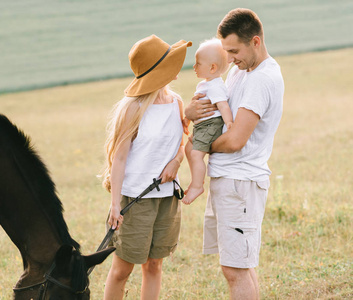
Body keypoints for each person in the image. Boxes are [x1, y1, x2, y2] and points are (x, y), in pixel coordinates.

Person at [185, 8, 284, 299]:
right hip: (230, 180)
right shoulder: (242, 72)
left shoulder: (260, 79)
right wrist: (191, 113)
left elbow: (235, 140)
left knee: (235, 269)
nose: (229, 59)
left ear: (255, 41)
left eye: (233, 50)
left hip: (240, 182)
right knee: (241, 266)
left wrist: (199, 145)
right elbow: (216, 114)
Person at [101, 34, 191, 300]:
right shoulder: (133, 108)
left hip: (166, 198)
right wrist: (115, 204)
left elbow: (181, 143)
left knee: (154, 265)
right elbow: (118, 159)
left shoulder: (176, 103)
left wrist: (176, 162)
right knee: (122, 269)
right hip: (136, 199)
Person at [182, 38, 232, 205]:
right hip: (203, 125)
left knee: (196, 154)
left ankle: (197, 186)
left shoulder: (215, 86)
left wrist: (230, 123)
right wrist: (187, 119)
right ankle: (195, 180)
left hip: (211, 125)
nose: (194, 67)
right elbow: (196, 106)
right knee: (188, 148)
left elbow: (223, 106)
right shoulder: (206, 84)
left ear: (212, 67)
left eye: (198, 63)